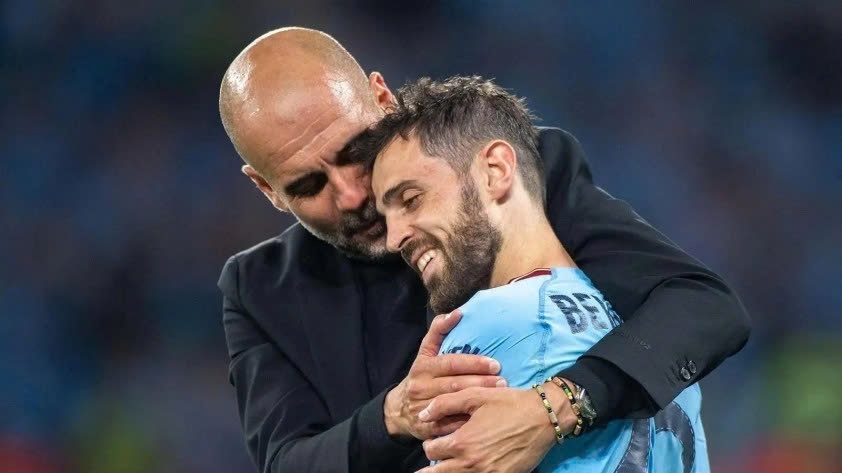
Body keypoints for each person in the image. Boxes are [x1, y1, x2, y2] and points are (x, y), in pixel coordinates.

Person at [217, 27, 749, 472]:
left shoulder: (516, 175)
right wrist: (393, 416)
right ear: (267, 190)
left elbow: (701, 309)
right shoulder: (258, 290)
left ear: (383, 99)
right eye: (309, 186)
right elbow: (286, 462)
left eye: (355, 151)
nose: (353, 195)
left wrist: (551, 409)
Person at [367, 75, 710, 472]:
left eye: (411, 199)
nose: (394, 238)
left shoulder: (485, 326)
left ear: (495, 170)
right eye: (385, 217)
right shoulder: (650, 335)